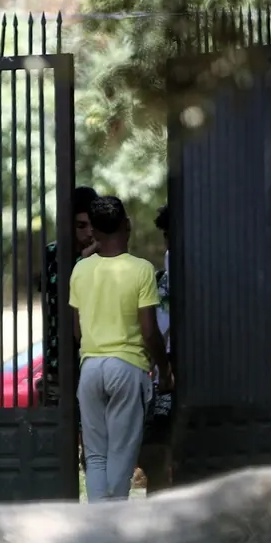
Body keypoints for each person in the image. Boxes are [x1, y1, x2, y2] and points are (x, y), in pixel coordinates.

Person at [70, 196, 171, 502]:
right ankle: (114, 521)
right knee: (122, 454)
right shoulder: (141, 270)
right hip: (127, 367)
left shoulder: (80, 270)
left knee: (96, 456)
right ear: (127, 225)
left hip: (90, 369)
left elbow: (77, 331)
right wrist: (163, 370)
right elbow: (150, 331)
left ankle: (99, 524)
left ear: (94, 232)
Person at [40, 185, 100, 407]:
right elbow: (62, 293)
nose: (89, 233)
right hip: (58, 362)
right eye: (81, 226)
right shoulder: (52, 254)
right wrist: (84, 260)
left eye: (93, 225)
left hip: (94, 362)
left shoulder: (106, 256)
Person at [139, 204, 174, 494]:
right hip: (173, 365)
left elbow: (157, 326)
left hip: (169, 366)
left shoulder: (167, 269)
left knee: (157, 443)